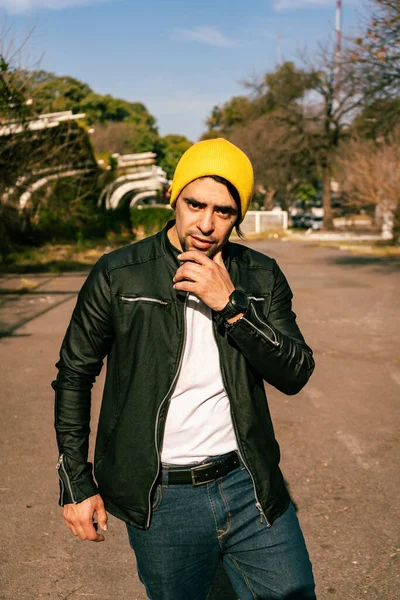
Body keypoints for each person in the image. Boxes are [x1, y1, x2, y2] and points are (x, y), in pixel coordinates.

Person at [53, 138, 316, 600]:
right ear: (174, 196)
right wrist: (76, 483)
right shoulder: (119, 273)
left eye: (225, 211)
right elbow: (74, 374)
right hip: (163, 497)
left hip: (249, 483)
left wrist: (231, 306)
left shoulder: (260, 274)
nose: (207, 224)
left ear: (239, 216)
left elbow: (295, 372)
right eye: (196, 204)